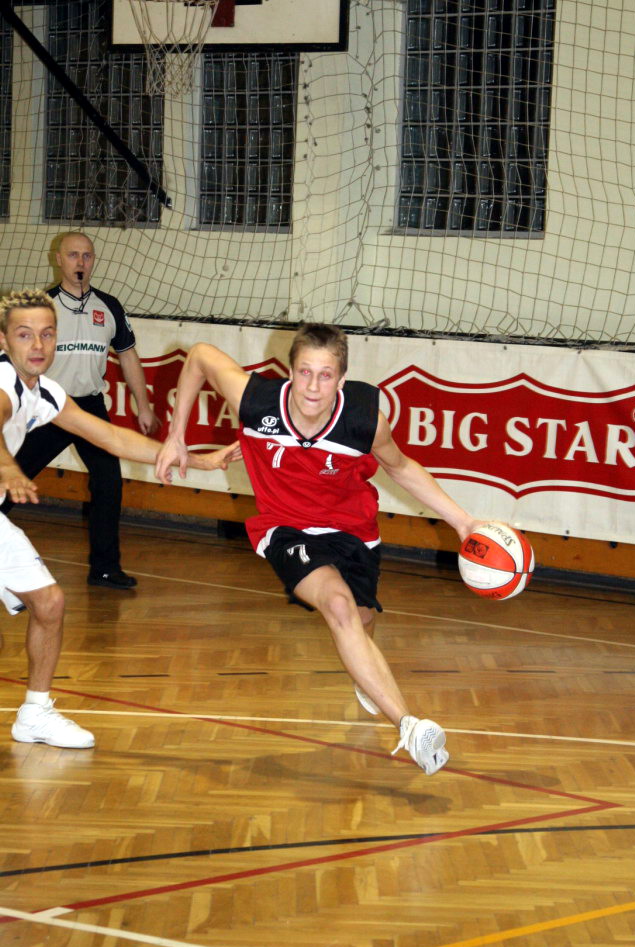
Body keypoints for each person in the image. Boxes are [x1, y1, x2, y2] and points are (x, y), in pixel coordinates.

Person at [156, 323, 482, 776]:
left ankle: (367, 675)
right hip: (285, 527)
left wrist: (464, 522)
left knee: (362, 620)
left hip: (352, 529)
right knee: (338, 605)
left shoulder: (364, 420)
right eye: (304, 372)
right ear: (289, 370)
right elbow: (199, 355)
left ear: (342, 380)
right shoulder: (257, 400)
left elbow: (402, 468)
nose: (313, 386)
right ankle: (409, 726)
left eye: (326, 375)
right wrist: (176, 435)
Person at [0, 289, 233, 749]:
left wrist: (198, 461)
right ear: (4, 342)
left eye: (47, 334)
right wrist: (7, 466)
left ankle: (35, 714)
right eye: (24, 335)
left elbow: (111, 438)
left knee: (50, 604)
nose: (38, 345)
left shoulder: (45, 392)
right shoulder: (4, 381)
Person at [0, 231, 160, 590]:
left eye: (87, 256)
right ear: (59, 259)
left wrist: (144, 405)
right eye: (73, 255)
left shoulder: (109, 306)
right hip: (47, 407)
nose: (81, 262)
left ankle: (104, 568)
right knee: (12, 478)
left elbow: (128, 356)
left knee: (109, 482)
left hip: (87, 406)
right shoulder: (43, 308)